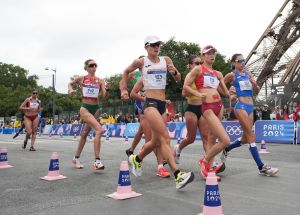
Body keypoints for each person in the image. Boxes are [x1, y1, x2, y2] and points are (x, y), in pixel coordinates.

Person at [120, 35, 194, 189]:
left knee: (154, 141)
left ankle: (137, 159)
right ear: (146, 47)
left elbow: (179, 79)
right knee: (164, 138)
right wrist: (123, 90)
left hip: (162, 104)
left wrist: (174, 73)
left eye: (158, 44)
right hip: (150, 103)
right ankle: (178, 175)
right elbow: (125, 72)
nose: (156, 47)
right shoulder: (141, 62)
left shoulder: (166, 59)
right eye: (153, 45)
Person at [222, 53, 278, 176]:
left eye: (244, 60)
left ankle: (226, 149)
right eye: (239, 60)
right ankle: (261, 167)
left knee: (245, 138)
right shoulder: (232, 75)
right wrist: (229, 95)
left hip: (250, 107)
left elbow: (257, 90)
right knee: (251, 135)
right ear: (233, 63)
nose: (242, 62)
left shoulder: (248, 74)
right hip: (240, 106)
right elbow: (220, 85)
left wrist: (253, 82)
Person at [183, 45, 230, 180]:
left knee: (211, 138)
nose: (212, 55)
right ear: (203, 56)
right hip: (208, 107)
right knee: (225, 140)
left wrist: (226, 83)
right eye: (208, 53)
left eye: (213, 53)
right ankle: (205, 160)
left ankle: (208, 170)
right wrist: (197, 93)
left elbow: (225, 93)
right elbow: (185, 86)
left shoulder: (217, 73)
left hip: (219, 106)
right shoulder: (198, 69)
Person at [68, 59, 110, 170]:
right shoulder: (82, 78)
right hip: (85, 108)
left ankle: (76, 158)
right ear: (86, 67)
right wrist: (71, 90)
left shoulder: (100, 80)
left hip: (96, 109)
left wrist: (108, 90)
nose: (94, 67)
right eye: (91, 65)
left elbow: (105, 96)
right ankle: (97, 161)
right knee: (99, 130)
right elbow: (70, 84)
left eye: (95, 65)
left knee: (85, 133)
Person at [128, 77, 170, 178]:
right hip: (145, 111)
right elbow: (132, 94)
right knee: (149, 140)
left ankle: (159, 166)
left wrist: (164, 101)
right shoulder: (142, 79)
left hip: (158, 109)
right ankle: (138, 158)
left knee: (158, 139)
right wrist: (145, 100)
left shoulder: (157, 77)